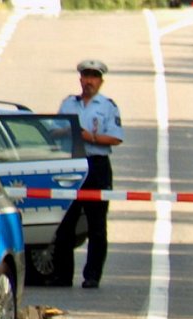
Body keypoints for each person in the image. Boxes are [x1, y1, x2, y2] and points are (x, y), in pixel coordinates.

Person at [53, 59, 124, 289]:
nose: (89, 81)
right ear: (80, 79)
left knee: (96, 225)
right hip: (72, 164)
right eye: (86, 76)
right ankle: (62, 275)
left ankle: (92, 275)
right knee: (66, 224)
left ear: (101, 81)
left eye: (94, 77)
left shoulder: (107, 106)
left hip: (96, 165)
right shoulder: (69, 104)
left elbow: (115, 137)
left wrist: (90, 137)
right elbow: (55, 130)